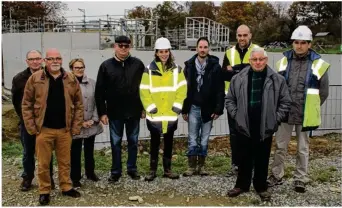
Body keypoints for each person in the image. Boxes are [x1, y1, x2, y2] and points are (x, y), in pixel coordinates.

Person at [267, 25, 330, 193]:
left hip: (305, 115)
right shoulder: (283, 62)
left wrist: (311, 108)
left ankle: (300, 178)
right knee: (281, 146)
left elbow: (323, 92)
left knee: (303, 149)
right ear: (292, 43)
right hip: (285, 114)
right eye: (296, 42)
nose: (299, 45)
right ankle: (276, 175)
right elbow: (276, 88)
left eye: (303, 42)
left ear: (309, 44)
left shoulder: (318, 64)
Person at [226, 48, 291, 201]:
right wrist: (237, 116)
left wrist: (275, 119)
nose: (258, 62)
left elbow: (285, 102)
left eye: (261, 59)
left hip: (265, 124)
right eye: (254, 59)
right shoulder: (238, 78)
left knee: (262, 157)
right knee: (244, 156)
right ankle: (241, 184)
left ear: (266, 60)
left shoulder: (277, 79)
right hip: (245, 123)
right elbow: (229, 100)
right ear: (250, 61)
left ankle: (261, 186)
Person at [22, 48, 83, 205]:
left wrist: (75, 127)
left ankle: (66, 187)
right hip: (43, 130)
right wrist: (32, 127)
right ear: (45, 61)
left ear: (61, 60)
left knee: (65, 161)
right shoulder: (35, 78)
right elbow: (26, 104)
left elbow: (79, 104)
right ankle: (44, 190)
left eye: (58, 58)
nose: (55, 61)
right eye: (51, 59)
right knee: (43, 163)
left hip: (64, 130)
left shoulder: (70, 78)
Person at [95, 35, 145, 183]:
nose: (123, 48)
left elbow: (144, 88)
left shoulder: (138, 64)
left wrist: (143, 108)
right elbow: (99, 91)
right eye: (120, 46)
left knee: (133, 141)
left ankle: (132, 169)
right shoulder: (106, 66)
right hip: (114, 112)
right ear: (114, 47)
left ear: (130, 47)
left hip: (134, 111)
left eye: (126, 46)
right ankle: (116, 171)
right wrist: (102, 112)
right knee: (115, 143)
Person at [140, 37, 187, 181]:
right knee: (154, 143)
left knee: (169, 143)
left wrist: (177, 107)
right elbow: (144, 90)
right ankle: (152, 170)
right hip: (154, 115)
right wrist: (150, 107)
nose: (164, 54)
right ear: (156, 53)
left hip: (170, 114)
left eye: (166, 51)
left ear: (169, 52)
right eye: (161, 51)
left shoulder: (177, 69)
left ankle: (167, 170)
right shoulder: (148, 70)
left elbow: (182, 89)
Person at [11, 50, 55, 191]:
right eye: (31, 59)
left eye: (37, 58)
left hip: (46, 122)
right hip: (27, 122)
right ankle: (27, 178)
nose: (35, 61)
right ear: (27, 61)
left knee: (47, 152)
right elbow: (17, 103)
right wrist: (26, 119)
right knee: (28, 152)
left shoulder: (50, 76)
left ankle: (48, 179)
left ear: (42, 60)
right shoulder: (19, 79)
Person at [182, 37, 224, 177]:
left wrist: (218, 108)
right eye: (200, 47)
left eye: (205, 47)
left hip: (208, 108)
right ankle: (191, 166)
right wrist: (184, 109)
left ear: (209, 49)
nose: (203, 50)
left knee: (204, 138)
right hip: (193, 107)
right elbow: (184, 90)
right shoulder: (189, 66)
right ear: (196, 49)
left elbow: (219, 89)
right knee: (193, 137)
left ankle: (202, 166)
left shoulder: (215, 67)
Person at [221, 24, 260, 176]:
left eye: (245, 35)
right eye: (239, 35)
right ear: (236, 36)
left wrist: (235, 70)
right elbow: (224, 75)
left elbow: (259, 72)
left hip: (253, 100)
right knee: (235, 133)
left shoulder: (258, 51)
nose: (242, 38)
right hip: (233, 101)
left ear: (250, 35)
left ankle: (251, 165)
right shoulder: (229, 52)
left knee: (252, 132)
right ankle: (236, 165)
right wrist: (245, 69)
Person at [69, 58, 103, 188]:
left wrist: (94, 119)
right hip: (76, 126)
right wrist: (79, 122)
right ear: (72, 69)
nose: (79, 69)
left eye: (81, 67)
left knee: (89, 151)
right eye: (76, 67)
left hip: (91, 124)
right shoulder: (66, 84)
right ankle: (75, 177)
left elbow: (97, 101)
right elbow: (67, 106)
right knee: (75, 153)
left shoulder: (92, 83)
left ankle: (90, 172)